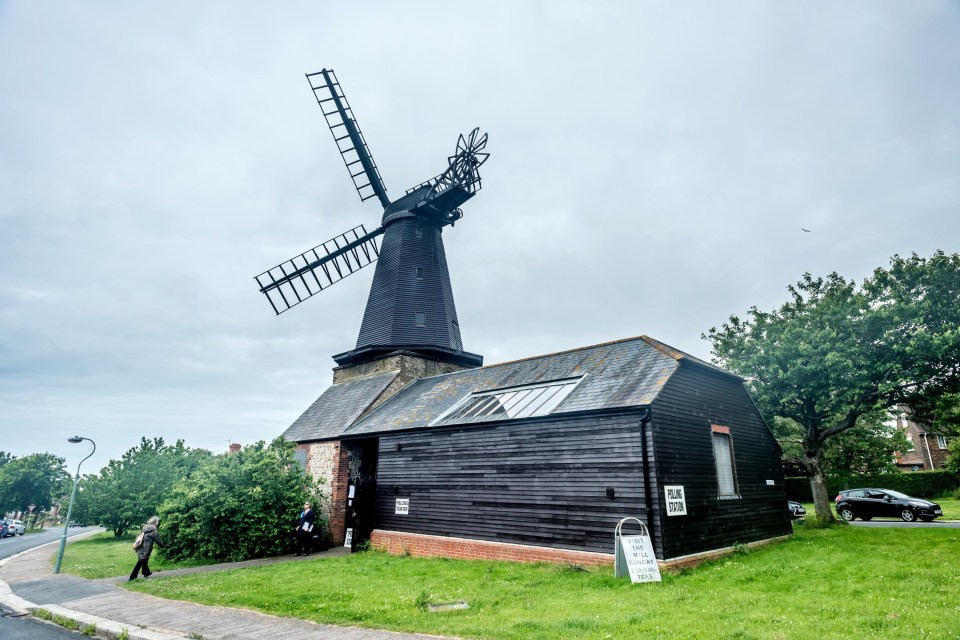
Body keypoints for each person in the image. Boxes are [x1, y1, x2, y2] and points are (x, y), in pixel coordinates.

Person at [130, 516, 163, 580]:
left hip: (139, 547)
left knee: (144, 560)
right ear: (155, 522)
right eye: (157, 522)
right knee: (141, 561)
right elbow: (158, 539)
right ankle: (132, 577)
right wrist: (163, 545)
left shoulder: (145, 528)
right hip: (146, 548)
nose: (158, 523)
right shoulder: (153, 530)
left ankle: (146, 573)